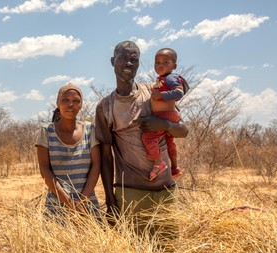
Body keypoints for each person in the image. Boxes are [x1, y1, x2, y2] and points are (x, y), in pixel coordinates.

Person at [95, 41, 188, 235]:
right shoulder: (105, 107)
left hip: (166, 191)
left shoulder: (153, 92)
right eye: (122, 58)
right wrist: (110, 199)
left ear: (138, 64)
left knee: (170, 252)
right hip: (130, 193)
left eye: (134, 60)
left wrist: (165, 125)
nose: (128, 63)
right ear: (113, 62)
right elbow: (106, 157)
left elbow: (183, 131)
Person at [36, 83, 101, 217]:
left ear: (81, 105)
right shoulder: (46, 131)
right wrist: (69, 203)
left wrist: (82, 201)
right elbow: (44, 170)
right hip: (57, 208)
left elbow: (96, 166)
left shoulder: (90, 130)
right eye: (65, 100)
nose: (70, 104)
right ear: (58, 103)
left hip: (88, 207)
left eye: (75, 101)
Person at [142, 48, 189, 181]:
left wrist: (161, 95)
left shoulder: (171, 78)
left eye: (165, 62)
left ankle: (158, 163)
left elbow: (179, 92)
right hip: (166, 115)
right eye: (157, 62)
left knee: (148, 137)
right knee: (169, 142)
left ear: (174, 66)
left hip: (165, 116)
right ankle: (175, 168)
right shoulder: (162, 79)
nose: (160, 65)